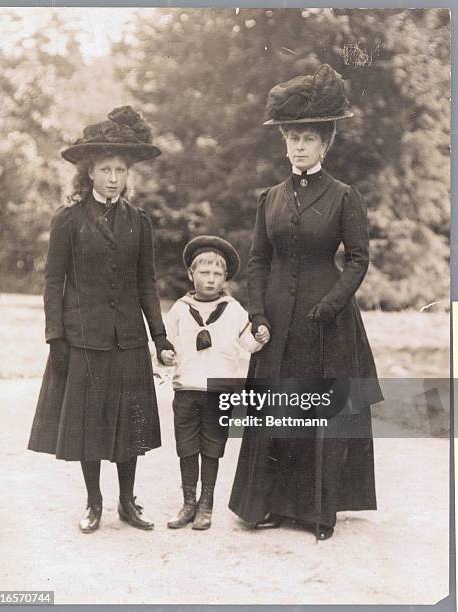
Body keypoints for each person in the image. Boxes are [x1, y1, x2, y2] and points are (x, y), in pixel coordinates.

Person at [228, 64, 383, 540]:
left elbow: (358, 258)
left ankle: (316, 511)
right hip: (276, 318)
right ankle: (269, 505)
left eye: (308, 138)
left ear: (325, 143)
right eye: (292, 137)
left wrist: (332, 305)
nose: (298, 146)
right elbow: (257, 260)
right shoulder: (269, 198)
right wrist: (256, 313)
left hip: (326, 320)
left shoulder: (342, 196)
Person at [28, 106, 174, 533]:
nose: (113, 177)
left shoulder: (139, 222)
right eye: (105, 169)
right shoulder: (68, 221)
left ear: (128, 175)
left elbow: (147, 284)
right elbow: (53, 283)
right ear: (89, 173)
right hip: (84, 340)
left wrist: (160, 338)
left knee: (130, 424)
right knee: (89, 425)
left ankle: (128, 503)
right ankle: (94, 504)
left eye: (120, 170)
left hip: (128, 339)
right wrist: (55, 336)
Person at [160, 236, 265, 530]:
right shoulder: (180, 309)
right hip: (187, 389)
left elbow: (248, 343)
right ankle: (188, 504)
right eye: (204, 273)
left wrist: (259, 337)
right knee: (186, 448)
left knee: (212, 448)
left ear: (225, 277)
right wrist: (165, 354)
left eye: (217, 274)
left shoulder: (233, 310)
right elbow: (165, 343)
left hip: (219, 390)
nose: (211, 279)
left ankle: (206, 504)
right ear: (191, 274)